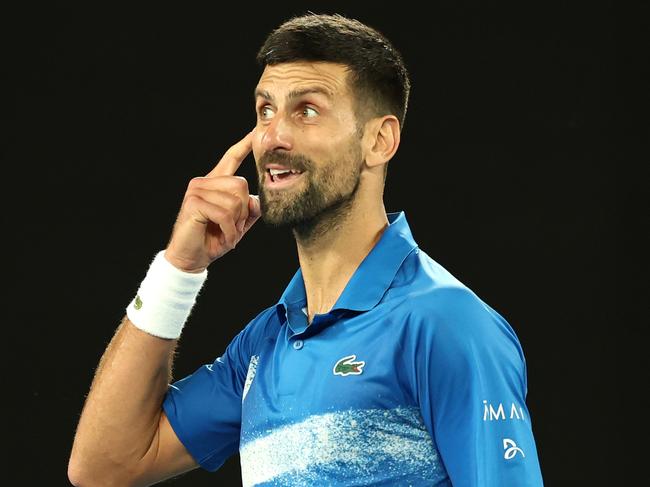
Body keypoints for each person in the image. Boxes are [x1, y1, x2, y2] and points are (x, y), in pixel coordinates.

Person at [68, 13, 544, 487]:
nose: (273, 137)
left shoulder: (446, 324)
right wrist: (179, 267)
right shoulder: (263, 347)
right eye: (265, 111)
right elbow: (105, 466)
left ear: (379, 140)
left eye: (307, 110)